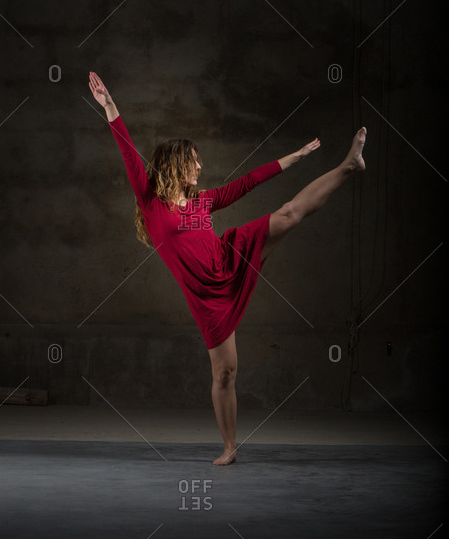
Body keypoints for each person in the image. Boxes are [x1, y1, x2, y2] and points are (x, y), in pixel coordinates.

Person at [88, 71, 366, 465]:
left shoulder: (204, 201)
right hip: (206, 299)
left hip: (229, 259)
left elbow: (249, 182)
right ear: (176, 164)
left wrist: (297, 156)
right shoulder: (151, 201)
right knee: (225, 374)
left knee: (288, 214)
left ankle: (348, 166)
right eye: (194, 163)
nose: (200, 169)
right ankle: (230, 447)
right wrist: (109, 105)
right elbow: (127, 149)